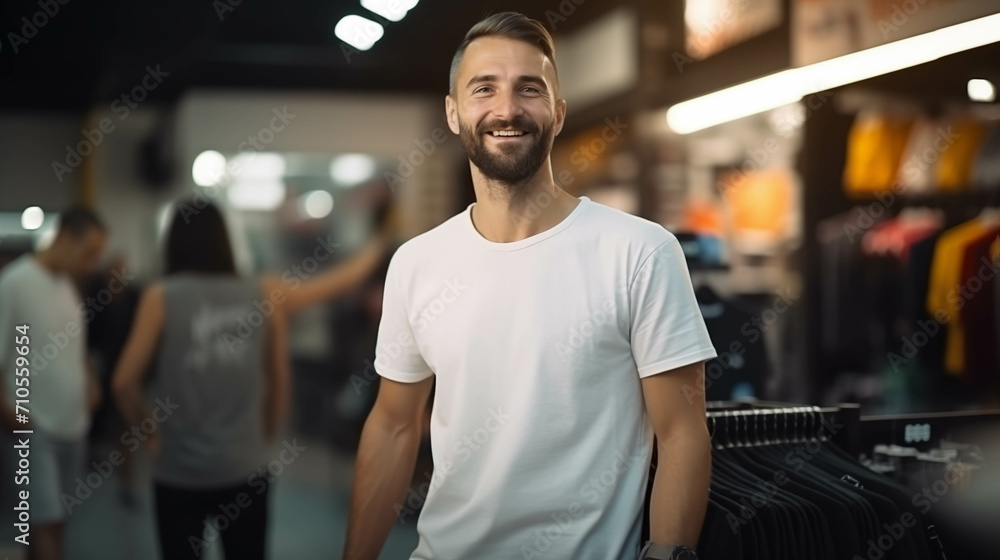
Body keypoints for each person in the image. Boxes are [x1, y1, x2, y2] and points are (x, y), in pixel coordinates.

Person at [344, 11, 718, 560]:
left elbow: (683, 433)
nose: (507, 108)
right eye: (483, 89)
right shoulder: (417, 263)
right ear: (454, 112)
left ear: (558, 112)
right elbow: (394, 426)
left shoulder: (640, 252)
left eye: (529, 89)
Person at [112, 198, 395, 560]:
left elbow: (122, 383)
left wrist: (148, 430)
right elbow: (282, 378)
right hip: (245, 469)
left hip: (178, 471)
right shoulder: (263, 293)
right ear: (224, 240)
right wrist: (380, 240)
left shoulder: (160, 297)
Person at [0, 206, 107, 560]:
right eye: (88, 253)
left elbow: (74, 344)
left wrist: (90, 381)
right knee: (45, 523)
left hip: (71, 425)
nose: (91, 264)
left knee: (54, 522)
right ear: (63, 238)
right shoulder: (14, 282)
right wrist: (7, 408)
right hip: (34, 427)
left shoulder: (66, 286)